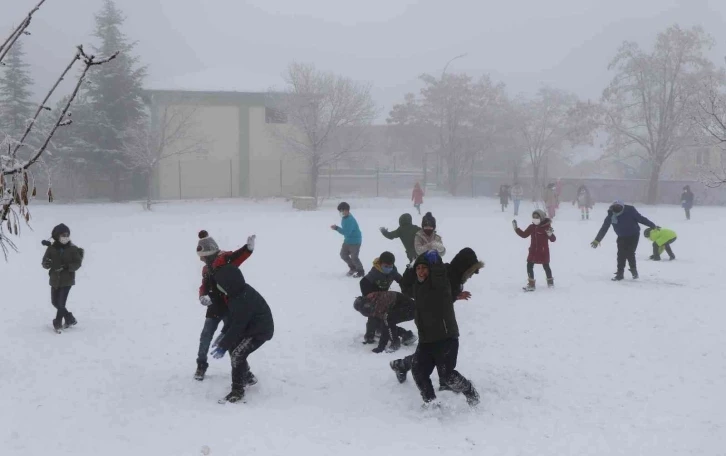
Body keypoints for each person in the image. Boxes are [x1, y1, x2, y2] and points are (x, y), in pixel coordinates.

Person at [389, 251, 479, 408]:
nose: (421, 271)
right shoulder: (417, 287)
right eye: (419, 269)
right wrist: (411, 267)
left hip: (446, 338)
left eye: (425, 268)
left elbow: (440, 278)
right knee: (418, 370)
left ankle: (469, 391)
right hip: (426, 339)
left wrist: (436, 264)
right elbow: (405, 286)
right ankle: (430, 402)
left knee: (447, 375)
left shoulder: (440, 284)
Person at [208, 236, 274, 404]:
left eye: (220, 284)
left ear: (228, 283)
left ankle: (237, 391)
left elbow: (238, 324)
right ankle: (247, 376)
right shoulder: (234, 295)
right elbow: (232, 321)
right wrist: (224, 335)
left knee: (237, 354)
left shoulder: (242, 299)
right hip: (249, 327)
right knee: (234, 347)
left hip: (260, 330)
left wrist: (223, 344)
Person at [194, 230, 254, 381]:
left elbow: (238, 256)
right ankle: (201, 366)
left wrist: (247, 249)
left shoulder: (225, 259)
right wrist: (202, 296)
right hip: (214, 307)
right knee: (205, 336)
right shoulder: (206, 269)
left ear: (210, 253)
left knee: (232, 340)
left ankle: (245, 372)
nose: (201, 260)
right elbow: (204, 286)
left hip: (229, 307)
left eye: (203, 257)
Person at [590, 200, 657, 281]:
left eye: (619, 207)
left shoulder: (630, 211)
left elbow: (641, 219)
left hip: (633, 234)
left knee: (630, 252)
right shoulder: (611, 215)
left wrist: (653, 226)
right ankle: (620, 274)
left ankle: (633, 270)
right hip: (621, 236)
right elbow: (604, 228)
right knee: (621, 254)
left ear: (622, 207)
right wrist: (597, 240)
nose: (617, 208)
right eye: (615, 207)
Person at [41, 223, 84, 332]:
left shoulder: (73, 249)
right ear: (56, 236)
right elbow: (45, 262)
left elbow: (77, 263)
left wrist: (67, 267)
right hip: (54, 279)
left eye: (67, 235)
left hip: (67, 280)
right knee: (54, 302)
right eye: (62, 235)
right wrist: (47, 263)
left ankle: (57, 323)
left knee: (61, 303)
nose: (65, 237)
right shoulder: (51, 248)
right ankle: (70, 318)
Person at [359, 251, 406, 344]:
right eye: (386, 266)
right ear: (380, 264)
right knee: (373, 315)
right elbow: (363, 282)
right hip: (374, 296)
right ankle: (369, 335)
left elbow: (401, 280)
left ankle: (381, 330)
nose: (388, 268)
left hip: (385, 297)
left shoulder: (393, 271)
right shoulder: (375, 272)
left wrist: (406, 289)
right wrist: (368, 295)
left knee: (384, 316)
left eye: (390, 266)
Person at [513, 210, 556, 291]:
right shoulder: (532, 227)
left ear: (541, 218)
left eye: (537, 217)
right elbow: (524, 235)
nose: (535, 219)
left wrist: (550, 235)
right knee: (529, 265)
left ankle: (550, 283)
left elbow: (553, 239)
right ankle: (531, 284)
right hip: (533, 251)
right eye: (534, 217)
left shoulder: (546, 227)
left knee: (546, 266)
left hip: (543, 252)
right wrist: (516, 229)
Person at [331, 202, 364, 277]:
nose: (341, 212)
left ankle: (361, 271)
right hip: (348, 240)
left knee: (354, 257)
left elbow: (347, 232)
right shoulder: (344, 218)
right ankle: (353, 267)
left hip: (355, 241)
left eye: (342, 211)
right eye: (340, 211)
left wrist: (336, 228)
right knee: (343, 255)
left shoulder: (350, 220)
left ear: (347, 210)